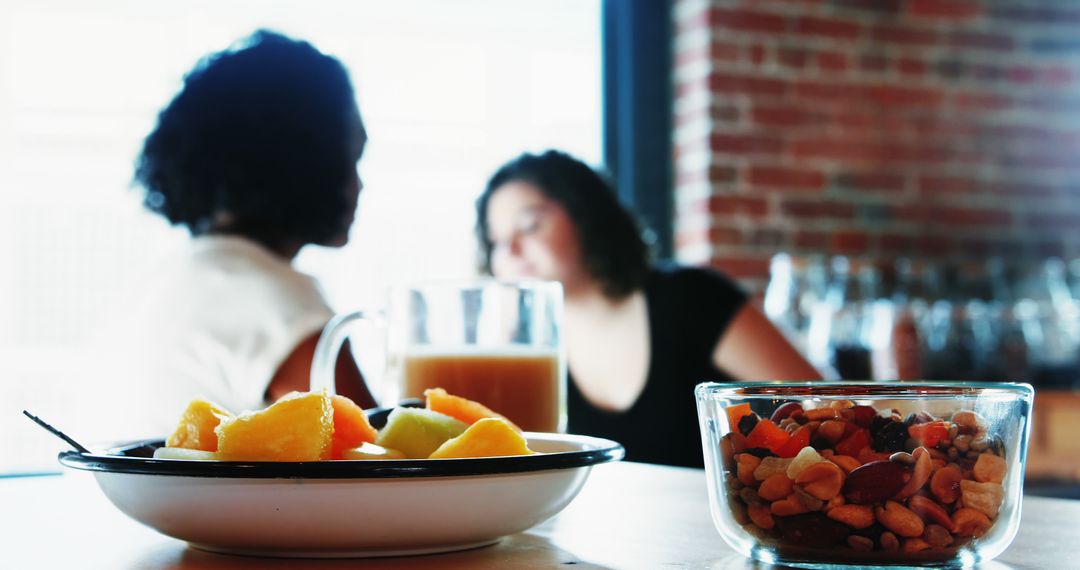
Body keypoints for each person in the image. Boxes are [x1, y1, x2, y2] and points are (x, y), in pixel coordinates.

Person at [475, 150, 822, 467]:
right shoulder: (522, 349)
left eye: (529, 226)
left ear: (585, 215)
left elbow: (821, 406)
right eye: (497, 241)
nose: (511, 251)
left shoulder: (690, 296)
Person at [126, 30, 376, 430]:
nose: (360, 184)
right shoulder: (277, 300)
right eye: (353, 157)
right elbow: (378, 461)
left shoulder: (169, 281)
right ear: (305, 159)